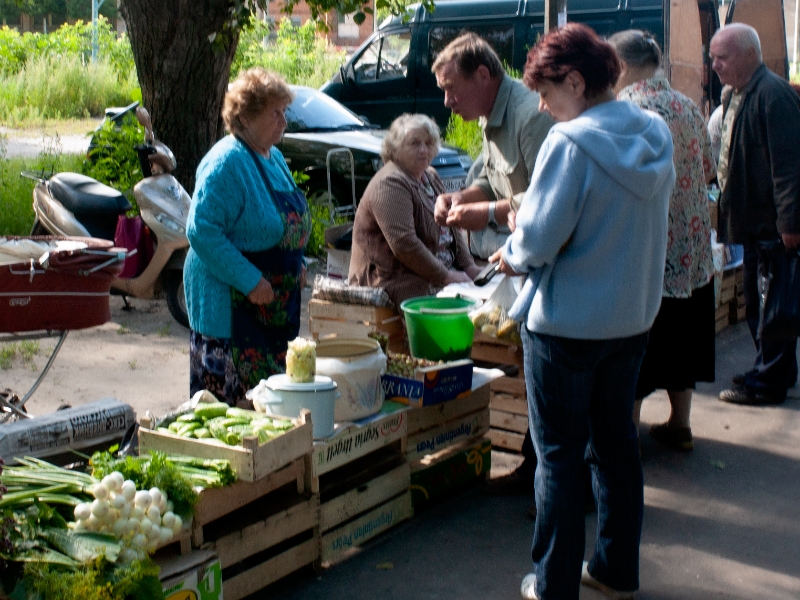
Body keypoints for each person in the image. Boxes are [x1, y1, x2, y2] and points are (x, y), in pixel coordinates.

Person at [491, 23, 675, 600]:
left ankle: (553, 584)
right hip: (632, 321)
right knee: (617, 449)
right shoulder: (656, 131)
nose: (542, 106)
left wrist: (512, 250)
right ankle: (616, 570)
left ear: (575, 80)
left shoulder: (568, 144)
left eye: (547, 93)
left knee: (559, 460)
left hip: (565, 328)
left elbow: (540, 239)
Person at [431, 31, 554, 497]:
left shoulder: (527, 116)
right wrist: (458, 199)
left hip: (544, 265)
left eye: (451, 89)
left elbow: (548, 197)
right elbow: (486, 177)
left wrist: (483, 212)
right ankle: (537, 469)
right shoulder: (489, 116)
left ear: (484, 75)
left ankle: (551, 482)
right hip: (524, 264)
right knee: (534, 373)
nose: (447, 101)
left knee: (548, 380)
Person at [609, 29, 716, 452]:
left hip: (650, 250)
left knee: (639, 348)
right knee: (682, 337)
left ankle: (625, 436)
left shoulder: (626, 110)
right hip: (691, 249)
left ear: (619, 66)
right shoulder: (687, 105)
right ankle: (680, 424)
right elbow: (708, 170)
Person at [184, 68, 310, 405]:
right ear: (245, 116)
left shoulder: (275, 157)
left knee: (269, 406)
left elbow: (284, 224)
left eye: (285, 112)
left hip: (271, 312)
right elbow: (201, 230)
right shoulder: (227, 161)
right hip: (229, 312)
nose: (284, 121)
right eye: (275, 112)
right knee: (230, 413)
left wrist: (297, 262)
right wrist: (250, 280)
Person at [711, 24, 800, 406]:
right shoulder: (738, 93)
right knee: (761, 304)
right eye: (712, 56)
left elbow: (789, 166)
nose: (713, 65)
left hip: (773, 229)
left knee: (773, 308)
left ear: (749, 54)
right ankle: (772, 369)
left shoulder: (773, 95)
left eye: (722, 57)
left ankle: (768, 382)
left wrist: (790, 223)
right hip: (755, 226)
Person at [348, 113, 482, 308]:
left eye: (429, 144)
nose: (423, 150)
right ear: (395, 148)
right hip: (392, 279)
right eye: (415, 143)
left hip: (430, 273)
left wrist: (469, 267)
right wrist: (446, 276)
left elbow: (452, 227)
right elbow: (404, 244)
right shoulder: (390, 182)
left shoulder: (430, 176)